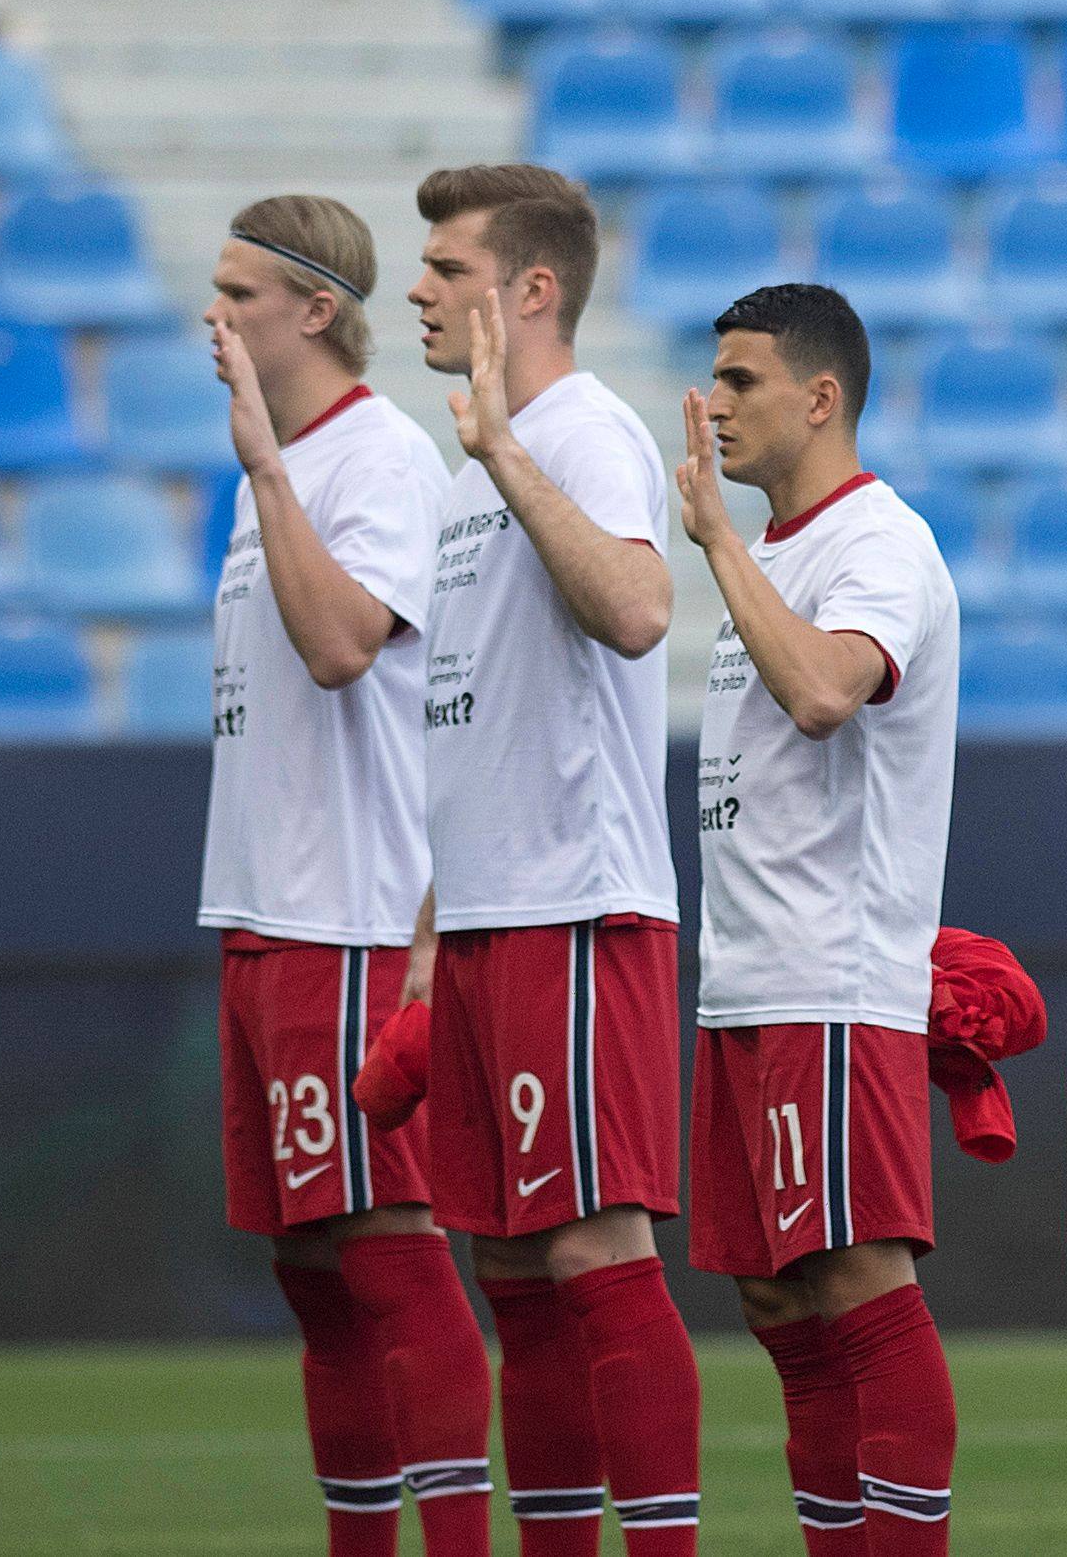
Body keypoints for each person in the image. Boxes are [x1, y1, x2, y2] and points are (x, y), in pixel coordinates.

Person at [407, 163, 699, 1556]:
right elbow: (464, 715)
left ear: (530, 289)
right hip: (484, 914)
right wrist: (425, 930)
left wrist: (504, 460)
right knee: (514, 1266)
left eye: (447, 268)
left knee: (592, 1250)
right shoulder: (485, 456)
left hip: (575, 907)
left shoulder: (576, 433)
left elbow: (640, 609)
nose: (417, 288)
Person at [200, 194, 490, 1557]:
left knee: (386, 1246)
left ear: (316, 309)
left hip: (353, 915)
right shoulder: (291, 459)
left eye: (240, 295)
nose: (217, 322)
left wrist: (266, 473)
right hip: (266, 912)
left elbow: (337, 647)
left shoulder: (370, 460)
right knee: (311, 1267)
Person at [674, 283, 964, 1556]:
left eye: (740, 381)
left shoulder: (878, 541)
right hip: (747, 977)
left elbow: (828, 693)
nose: (715, 404)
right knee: (777, 1296)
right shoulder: (782, 548)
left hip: (831, 978)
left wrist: (719, 549)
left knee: (854, 1278)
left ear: (821, 396)